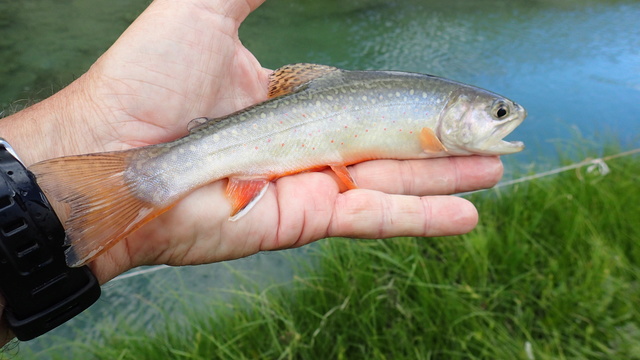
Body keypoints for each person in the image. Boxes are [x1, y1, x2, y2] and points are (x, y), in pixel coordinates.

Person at [0, 0, 503, 344]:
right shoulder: (430, 114)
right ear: (456, 111)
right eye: (497, 113)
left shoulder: (429, 107)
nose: (502, 120)